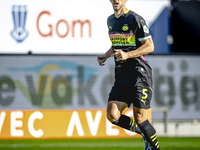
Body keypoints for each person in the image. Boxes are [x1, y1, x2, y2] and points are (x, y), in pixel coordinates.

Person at [97, 0, 161, 150]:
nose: (116, 0)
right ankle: (143, 133)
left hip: (139, 75)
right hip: (122, 76)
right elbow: (116, 43)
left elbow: (150, 45)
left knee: (140, 118)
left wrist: (128, 55)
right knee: (112, 114)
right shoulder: (110, 20)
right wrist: (106, 55)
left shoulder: (135, 19)